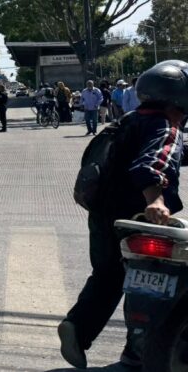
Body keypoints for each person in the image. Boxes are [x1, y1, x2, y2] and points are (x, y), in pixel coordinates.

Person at [59, 60, 188, 370]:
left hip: (105, 217)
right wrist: (155, 200)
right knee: (151, 278)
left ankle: (78, 326)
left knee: (109, 275)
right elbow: (153, 163)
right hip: (141, 218)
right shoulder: (166, 126)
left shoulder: (128, 120)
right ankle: (139, 348)